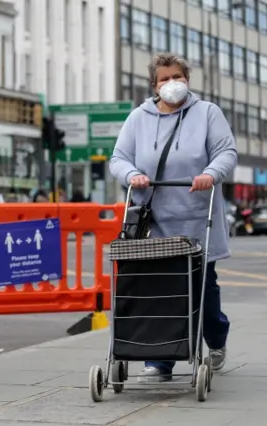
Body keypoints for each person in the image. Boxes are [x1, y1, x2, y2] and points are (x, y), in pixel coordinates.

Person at [109, 53, 237, 383]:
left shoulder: (207, 113)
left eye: (177, 76)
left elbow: (227, 152)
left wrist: (210, 173)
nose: (171, 84)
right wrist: (133, 174)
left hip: (197, 219)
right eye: (164, 79)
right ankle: (161, 360)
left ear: (187, 80)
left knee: (203, 289)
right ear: (154, 85)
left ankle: (217, 337)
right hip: (155, 223)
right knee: (160, 290)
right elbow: (119, 159)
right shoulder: (139, 118)